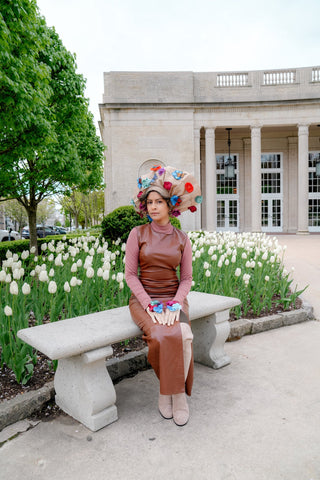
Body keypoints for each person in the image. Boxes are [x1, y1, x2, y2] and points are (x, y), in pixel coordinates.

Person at [125, 165, 202, 426]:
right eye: (149, 202)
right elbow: (130, 276)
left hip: (173, 297)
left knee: (182, 334)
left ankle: (177, 394)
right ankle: (167, 390)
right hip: (143, 300)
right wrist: (148, 305)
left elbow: (187, 279)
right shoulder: (137, 234)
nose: (153, 206)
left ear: (171, 206)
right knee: (159, 335)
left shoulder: (182, 239)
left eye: (159, 202)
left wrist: (175, 304)